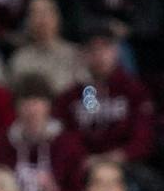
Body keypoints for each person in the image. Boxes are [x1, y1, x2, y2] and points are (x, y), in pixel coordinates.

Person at [53, 22, 156, 177]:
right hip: (83, 168)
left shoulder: (134, 91)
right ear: (82, 54)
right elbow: (64, 137)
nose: (99, 54)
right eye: (92, 49)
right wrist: (84, 159)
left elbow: (143, 140)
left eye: (105, 47)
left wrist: (113, 158)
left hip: (126, 166)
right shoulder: (69, 98)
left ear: (116, 51)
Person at [0, 79, 84, 191]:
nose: (31, 110)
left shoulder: (67, 144)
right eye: (25, 103)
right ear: (16, 107)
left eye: (37, 102)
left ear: (49, 106)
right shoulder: (3, 142)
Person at [6, 0, 87, 99]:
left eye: (46, 12)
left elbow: (84, 92)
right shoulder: (19, 59)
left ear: (57, 18)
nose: (41, 19)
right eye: (35, 14)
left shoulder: (75, 54)